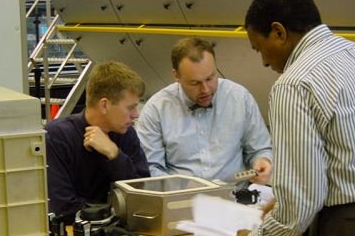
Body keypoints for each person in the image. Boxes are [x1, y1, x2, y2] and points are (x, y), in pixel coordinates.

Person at [228, 0, 355, 236]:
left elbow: (302, 201)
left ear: (278, 32)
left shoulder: (294, 84)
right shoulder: (350, 53)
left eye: (258, 48)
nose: (263, 62)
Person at [136, 37, 273, 187]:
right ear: (176, 76)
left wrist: (263, 161)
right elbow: (150, 168)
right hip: (181, 202)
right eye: (195, 83)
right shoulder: (156, 109)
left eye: (210, 78)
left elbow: (260, 149)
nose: (206, 89)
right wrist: (183, 187)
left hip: (236, 199)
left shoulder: (239, 98)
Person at [45, 61, 150, 223]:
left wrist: (115, 155)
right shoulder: (57, 137)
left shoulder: (126, 133)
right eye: (130, 108)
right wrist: (114, 211)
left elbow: (142, 196)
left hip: (120, 234)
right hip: (74, 235)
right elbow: (62, 208)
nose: (135, 114)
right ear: (104, 105)